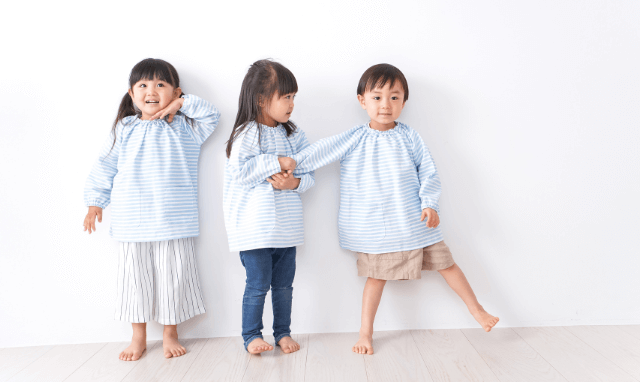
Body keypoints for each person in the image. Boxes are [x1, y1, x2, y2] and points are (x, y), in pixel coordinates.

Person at [280, 63, 499, 355]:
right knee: (376, 278)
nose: (386, 104)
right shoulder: (355, 137)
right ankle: (365, 334)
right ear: (362, 100)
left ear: (404, 102)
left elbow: (428, 172)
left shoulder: (410, 137)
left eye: (394, 97)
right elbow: (323, 150)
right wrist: (291, 164)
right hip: (378, 228)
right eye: (377, 97)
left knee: (447, 264)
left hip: (415, 222)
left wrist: (430, 204)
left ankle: (477, 310)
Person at [83, 58, 219, 361]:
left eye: (160, 84)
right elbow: (105, 165)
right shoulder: (125, 128)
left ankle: (170, 333)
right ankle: (138, 336)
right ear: (132, 94)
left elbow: (213, 115)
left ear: (176, 92)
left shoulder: (186, 128)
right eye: (143, 85)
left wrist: (182, 105)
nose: (151, 91)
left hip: (174, 221)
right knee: (134, 281)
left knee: (174, 279)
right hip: (132, 221)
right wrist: (95, 201)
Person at [223, 59, 314, 354]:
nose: (291, 103)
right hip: (255, 231)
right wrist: (277, 162)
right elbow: (241, 172)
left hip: (287, 230)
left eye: (293, 96)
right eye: (285, 96)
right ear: (262, 100)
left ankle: (283, 333)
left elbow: (310, 173)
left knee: (284, 286)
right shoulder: (247, 133)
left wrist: (294, 183)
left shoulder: (293, 135)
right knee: (258, 284)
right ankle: (251, 336)